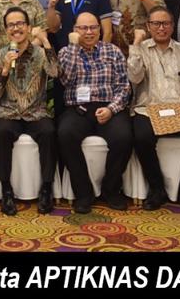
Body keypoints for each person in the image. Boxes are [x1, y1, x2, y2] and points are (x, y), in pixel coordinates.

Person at [127, 7, 180, 211]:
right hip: (148, 109)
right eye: (156, 23)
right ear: (148, 26)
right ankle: (157, 189)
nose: (161, 28)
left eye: (166, 23)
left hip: (179, 108)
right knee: (142, 137)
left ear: (173, 26)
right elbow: (134, 77)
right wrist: (136, 44)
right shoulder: (141, 48)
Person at [56, 12, 133, 214]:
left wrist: (111, 109)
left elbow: (124, 87)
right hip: (78, 108)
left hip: (108, 106)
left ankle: (111, 189)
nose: (89, 32)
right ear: (74, 30)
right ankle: (83, 193)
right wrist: (74, 47)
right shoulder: (66, 52)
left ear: (100, 29)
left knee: (124, 136)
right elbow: (66, 80)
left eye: (93, 27)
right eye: (83, 28)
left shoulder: (113, 51)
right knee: (65, 134)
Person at [0, 7, 59, 215]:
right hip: (8, 112)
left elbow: (55, 72)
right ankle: (6, 190)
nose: (16, 28)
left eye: (20, 23)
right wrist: (4, 70)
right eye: (11, 25)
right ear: (6, 30)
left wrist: (46, 42)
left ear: (29, 27)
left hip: (36, 112)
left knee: (49, 132)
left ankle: (46, 188)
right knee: (1, 132)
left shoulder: (40, 53)